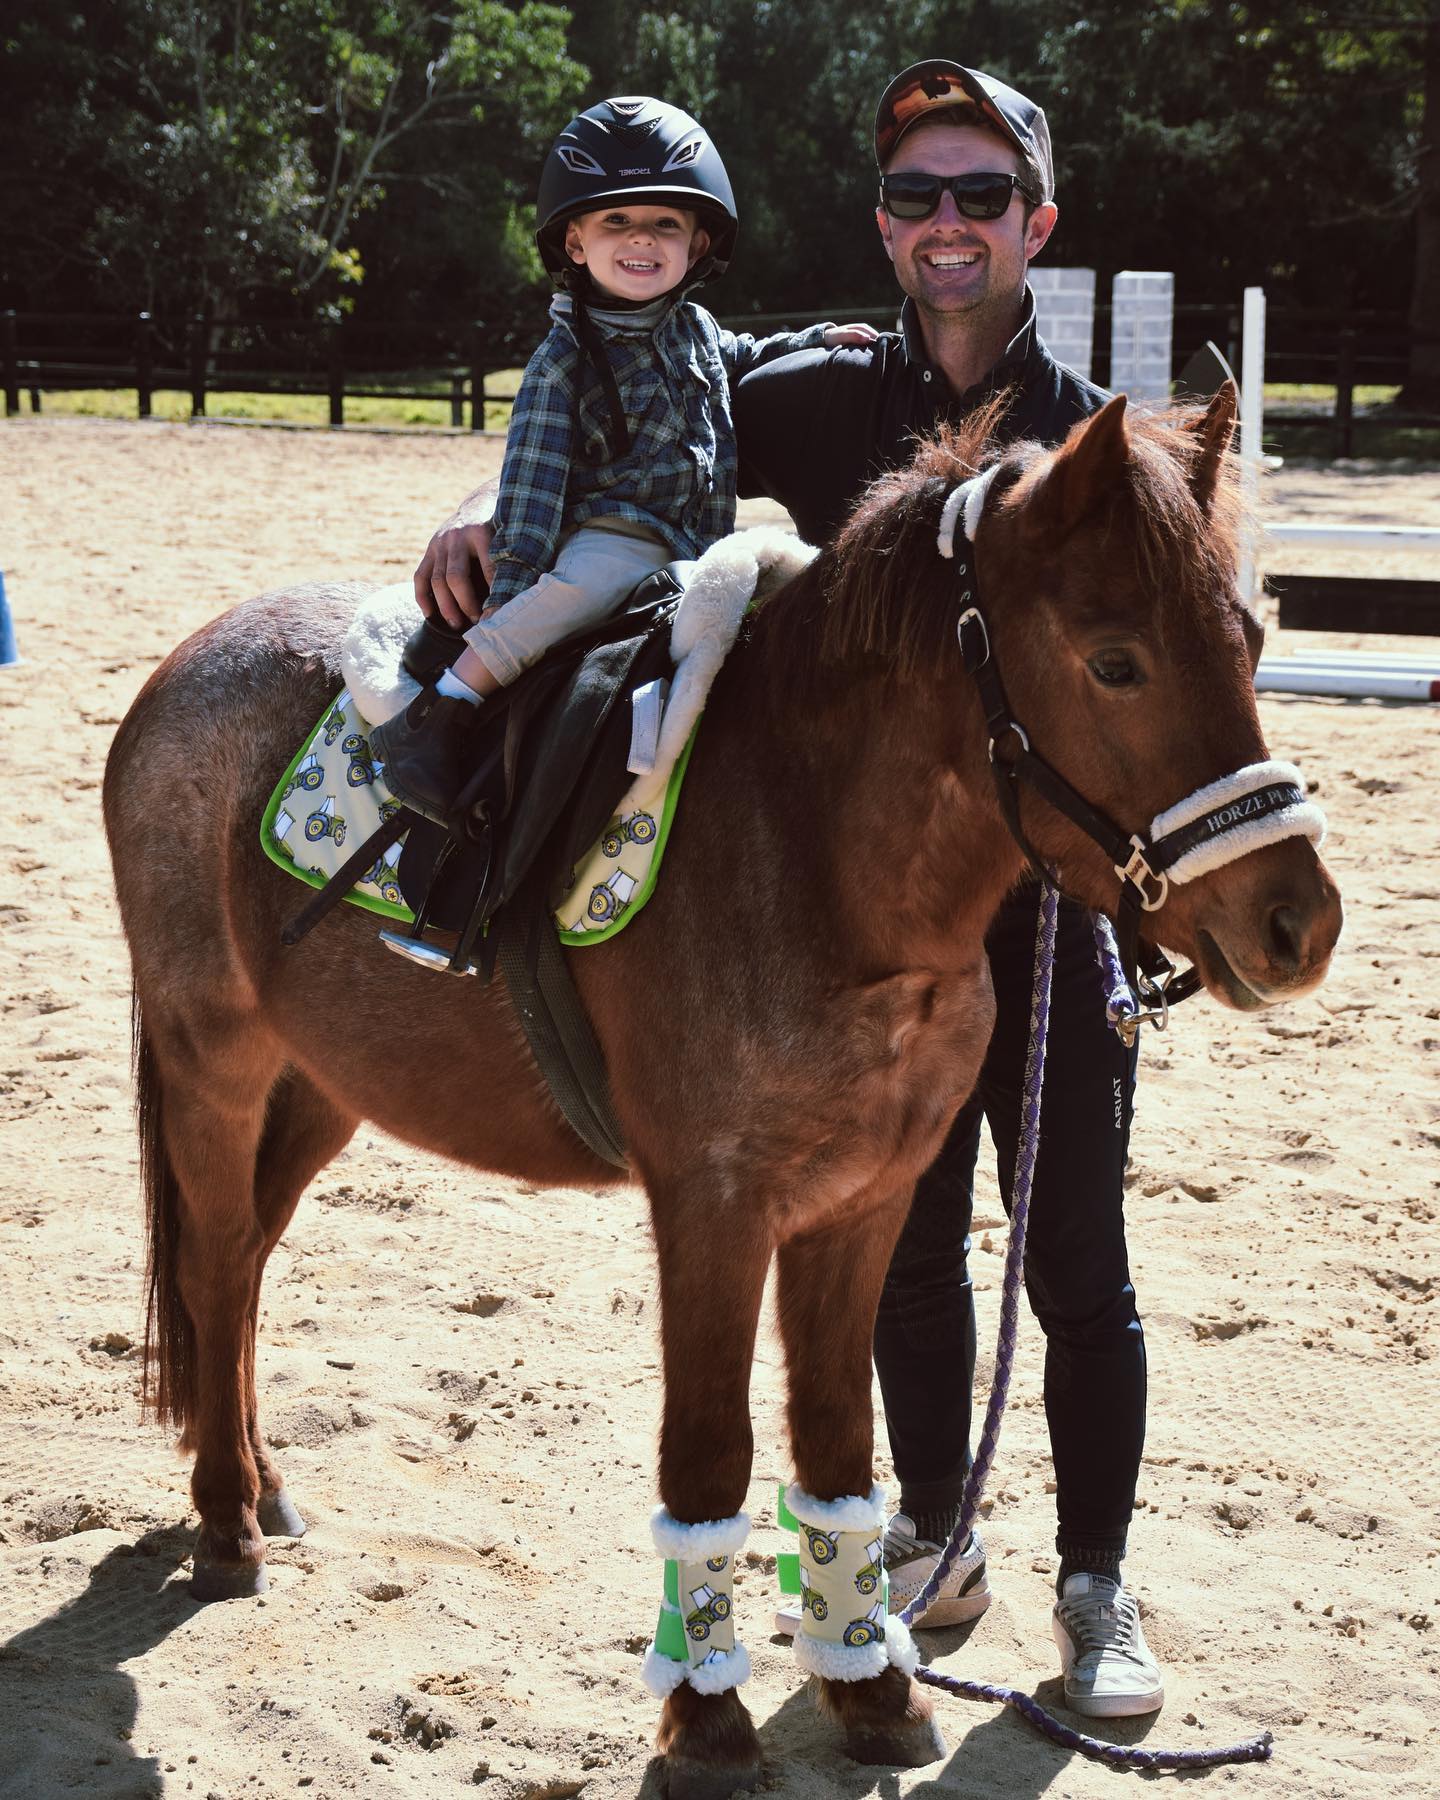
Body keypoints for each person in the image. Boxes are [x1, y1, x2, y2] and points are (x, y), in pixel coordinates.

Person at [411, 62, 1165, 1722]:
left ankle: (1097, 1586)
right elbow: (631, 406)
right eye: (917, 197)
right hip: (859, 914)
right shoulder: (813, 384)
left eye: (982, 197)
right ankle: (926, 1544)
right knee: (892, 1253)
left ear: (1039, 219)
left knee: (1074, 1259)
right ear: (885, 222)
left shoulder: (1098, 444)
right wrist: (478, 507)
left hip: (1046, 905)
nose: (947, 226)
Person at [373, 94, 874, 821]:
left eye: (665, 224)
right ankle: (445, 711)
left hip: (695, 540)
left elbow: (746, 355)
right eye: (616, 221)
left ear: (697, 244)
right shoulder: (563, 363)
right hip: (612, 534)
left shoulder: (695, 327)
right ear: (575, 243)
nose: (642, 238)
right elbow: (533, 487)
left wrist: (819, 339)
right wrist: (515, 584)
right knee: (579, 590)